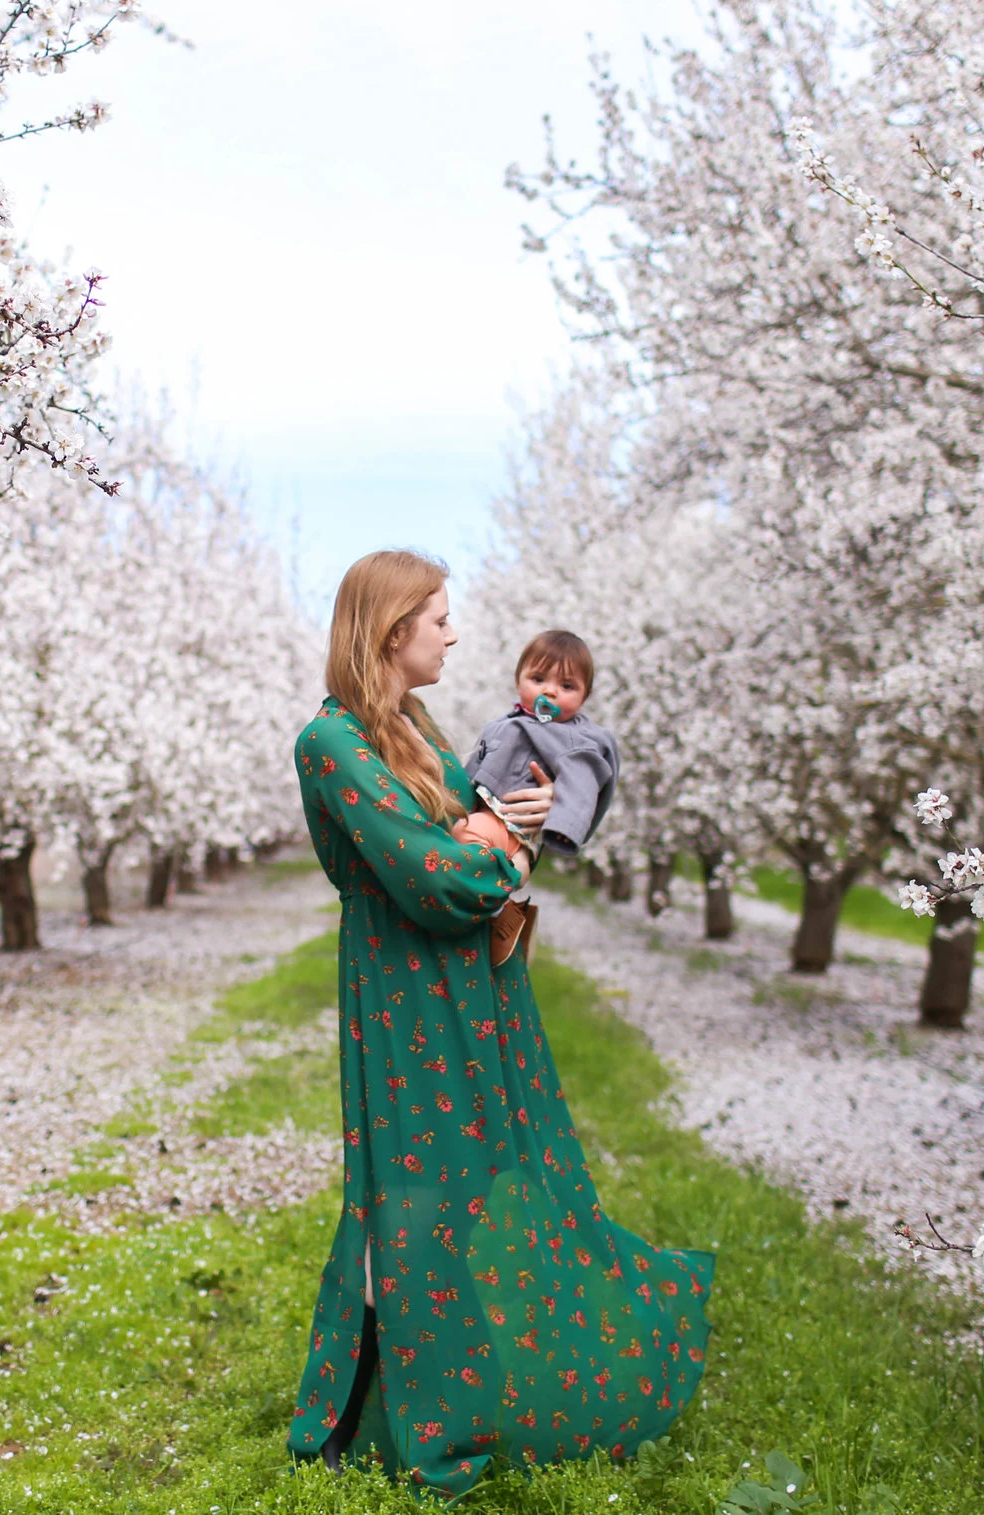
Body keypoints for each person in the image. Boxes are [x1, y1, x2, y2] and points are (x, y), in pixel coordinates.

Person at [287, 550, 711, 1499]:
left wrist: (505, 823)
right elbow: (439, 879)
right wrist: (506, 843)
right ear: (394, 628)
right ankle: (405, 1414)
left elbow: (469, 839)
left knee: (478, 1189)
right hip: (406, 1001)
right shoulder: (334, 743)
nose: (452, 632)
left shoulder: (412, 726)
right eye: (438, 616)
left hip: (473, 989)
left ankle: (474, 1389)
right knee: (418, 1199)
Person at [455, 630, 620, 861]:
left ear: (584, 697)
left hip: (512, 826)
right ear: (518, 680)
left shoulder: (575, 740)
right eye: (538, 679)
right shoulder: (505, 723)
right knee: (459, 831)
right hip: (485, 811)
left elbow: (581, 785)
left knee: (467, 833)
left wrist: (565, 825)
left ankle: (479, 887)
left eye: (567, 686)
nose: (549, 691)